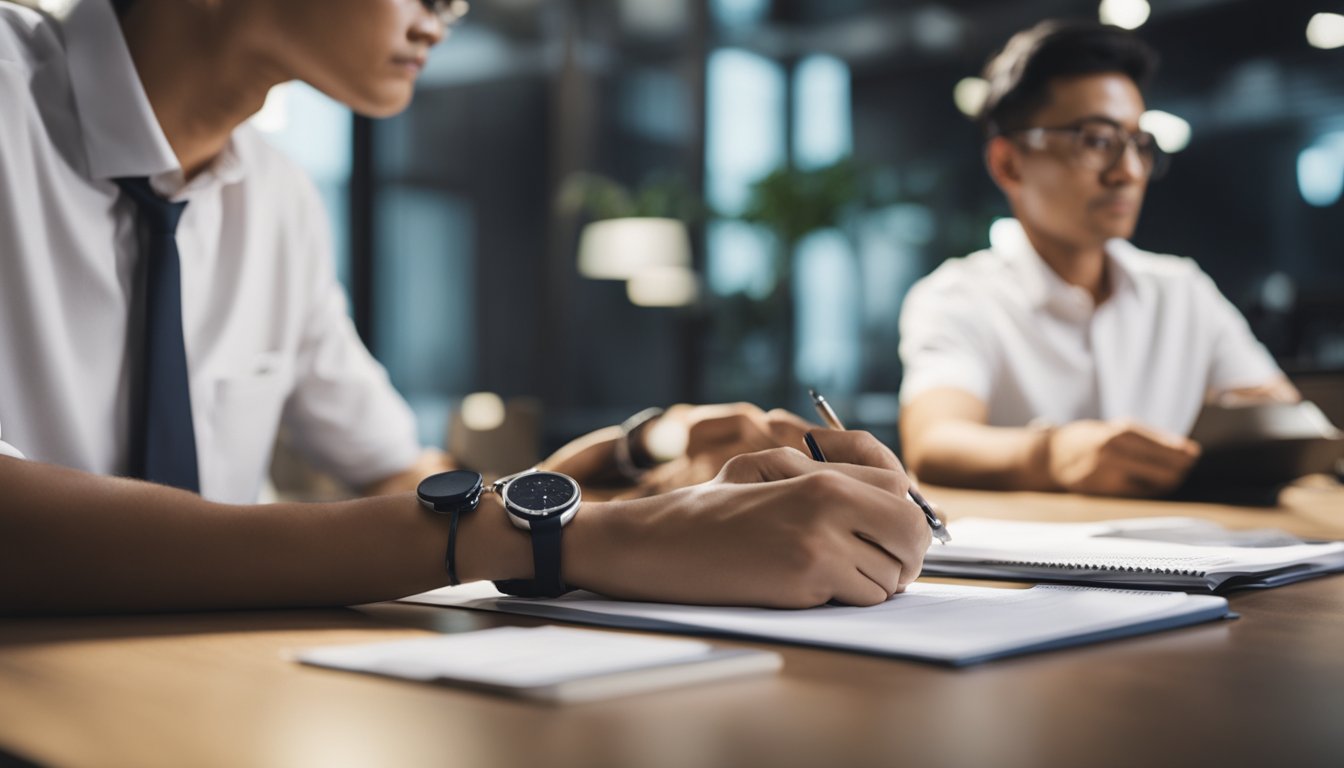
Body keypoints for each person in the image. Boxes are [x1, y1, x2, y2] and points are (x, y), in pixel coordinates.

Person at [0, 0, 931, 615]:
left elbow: (401, 486)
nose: (454, 6)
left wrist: (631, 468)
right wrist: (565, 538)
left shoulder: (273, 199)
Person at [897, 21, 1299, 498]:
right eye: (1095, 140)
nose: (1128, 171)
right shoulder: (958, 296)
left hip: (1188, 560)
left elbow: (1282, 417)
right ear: (1009, 163)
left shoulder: (1182, 290)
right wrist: (1053, 455)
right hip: (1032, 565)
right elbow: (935, 441)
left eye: (1138, 143)